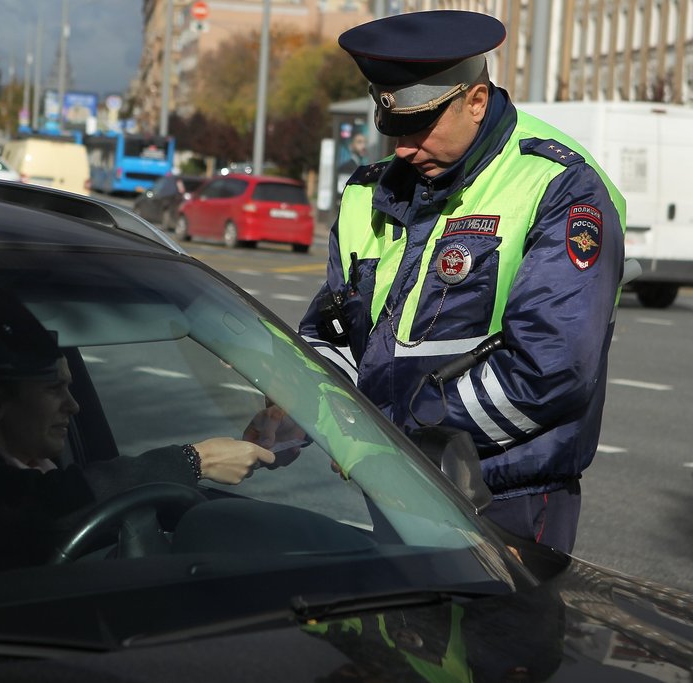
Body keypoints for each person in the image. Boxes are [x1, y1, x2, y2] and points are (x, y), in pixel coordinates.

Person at [252, 10, 626, 553]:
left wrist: (388, 433)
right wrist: (293, 412)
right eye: (394, 126)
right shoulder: (369, 192)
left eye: (421, 124)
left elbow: (551, 369)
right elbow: (338, 334)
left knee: (502, 638)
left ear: (476, 99)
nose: (403, 148)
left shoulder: (559, 185)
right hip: (396, 475)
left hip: (504, 492)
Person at [0, 354, 275, 579]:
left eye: (71, 388)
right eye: (54, 389)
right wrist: (197, 459)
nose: (74, 407)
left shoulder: (39, 466)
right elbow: (43, 505)